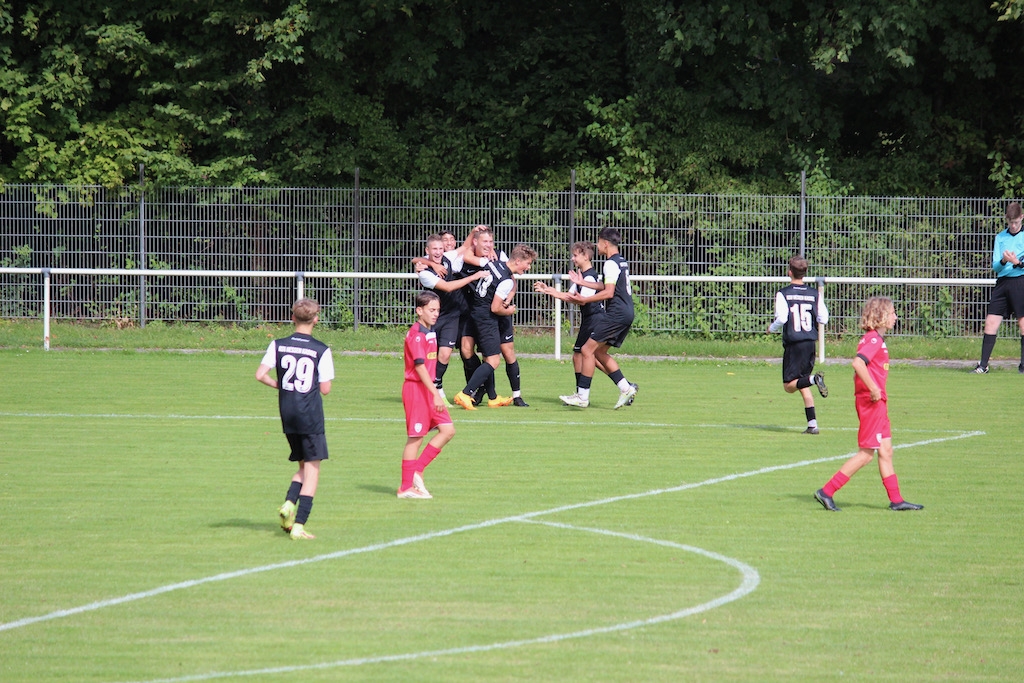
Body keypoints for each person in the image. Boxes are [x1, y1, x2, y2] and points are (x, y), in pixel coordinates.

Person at [814, 296, 923, 512]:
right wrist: (873, 388)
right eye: (892, 313)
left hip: (878, 402)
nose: (895, 317)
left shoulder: (876, 339)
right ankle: (827, 491)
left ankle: (896, 500)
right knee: (866, 454)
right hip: (872, 402)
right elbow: (858, 363)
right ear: (881, 315)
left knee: (886, 450)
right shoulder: (873, 340)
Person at [255, 298, 335, 540]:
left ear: (293, 318)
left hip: (288, 414)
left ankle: (289, 504)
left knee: (302, 466)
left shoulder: (278, 344)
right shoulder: (321, 349)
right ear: (316, 319)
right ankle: (299, 524)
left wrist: (280, 385)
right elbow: (325, 389)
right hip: (310, 415)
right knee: (313, 471)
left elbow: (260, 374)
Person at [559, 227, 638, 409]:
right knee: (599, 352)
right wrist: (582, 282)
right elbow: (606, 285)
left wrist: (584, 299)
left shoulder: (609, 263)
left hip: (616, 313)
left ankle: (582, 397)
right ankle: (626, 388)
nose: (597, 245)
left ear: (605, 243)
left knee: (586, 350)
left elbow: (609, 293)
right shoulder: (620, 261)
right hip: (626, 312)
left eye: (599, 242)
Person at [453, 242, 538, 410]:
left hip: (475, 311)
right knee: (493, 360)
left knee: (487, 357)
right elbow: (495, 308)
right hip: (486, 318)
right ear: (518, 261)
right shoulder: (506, 280)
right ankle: (466, 393)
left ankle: (492, 397)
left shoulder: (494, 264)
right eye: (528, 263)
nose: (528, 267)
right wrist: (509, 311)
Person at [414, 233, 487, 405]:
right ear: (427, 251)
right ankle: (424, 389)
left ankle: (437, 388)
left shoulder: (448, 258)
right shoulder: (424, 272)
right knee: (427, 356)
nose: (438, 252)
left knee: (445, 354)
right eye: (434, 249)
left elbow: (464, 247)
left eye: (440, 248)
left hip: (452, 316)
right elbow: (447, 287)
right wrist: (473, 277)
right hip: (433, 318)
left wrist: (474, 232)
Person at [398, 290, 455, 499]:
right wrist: (436, 394)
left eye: (437, 310)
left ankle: (417, 470)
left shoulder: (430, 332)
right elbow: (419, 367)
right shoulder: (417, 335)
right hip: (417, 390)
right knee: (416, 438)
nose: (436, 314)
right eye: (431, 310)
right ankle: (405, 487)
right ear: (419, 311)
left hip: (428, 389)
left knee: (448, 430)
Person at [534, 241, 608, 396]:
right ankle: (620, 385)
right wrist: (549, 290)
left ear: (586, 256)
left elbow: (581, 300)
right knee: (583, 356)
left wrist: (555, 293)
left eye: (575, 255)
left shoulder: (590, 277)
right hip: (589, 319)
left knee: (582, 355)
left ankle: (619, 386)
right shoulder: (582, 276)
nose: (572, 259)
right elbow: (570, 295)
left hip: (595, 319)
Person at [767, 254, 829, 434]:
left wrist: (771, 328)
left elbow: (782, 318)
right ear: (805, 273)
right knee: (802, 384)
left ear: (789, 272)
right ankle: (812, 425)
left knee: (789, 386)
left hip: (794, 344)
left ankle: (814, 379)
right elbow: (823, 318)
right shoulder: (814, 294)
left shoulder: (783, 293)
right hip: (810, 343)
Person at [974, 201, 1024, 373]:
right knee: (990, 322)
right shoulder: (1000, 237)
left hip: (1020, 281)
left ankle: (1023, 366)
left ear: (1022, 217)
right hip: (1003, 283)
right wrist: (1004, 260)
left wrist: (1017, 262)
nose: (1013, 225)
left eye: (1016, 222)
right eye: (1010, 222)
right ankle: (983, 365)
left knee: (1022, 324)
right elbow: (996, 266)